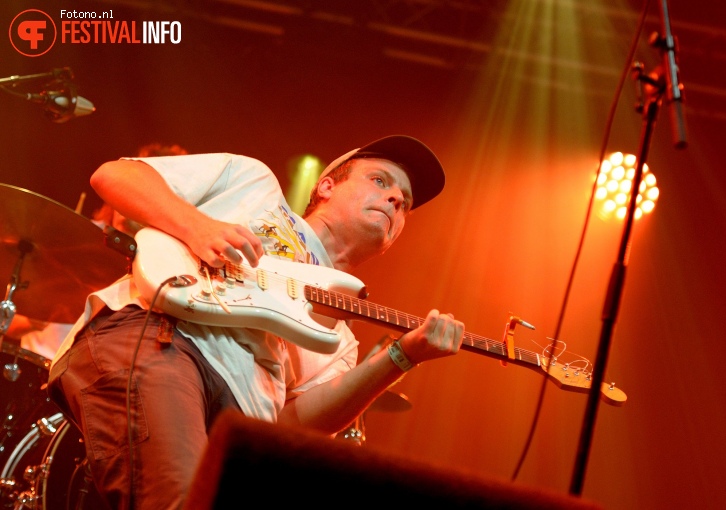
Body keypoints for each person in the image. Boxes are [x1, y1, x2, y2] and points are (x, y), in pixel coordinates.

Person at [46, 135, 465, 509]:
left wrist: (401, 356)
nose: (396, 199)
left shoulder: (341, 336)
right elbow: (115, 176)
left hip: (238, 428)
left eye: (405, 203)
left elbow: (293, 425)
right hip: (165, 339)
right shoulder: (254, 184)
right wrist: (198, 227)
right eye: (380, 181)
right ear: (327, 185)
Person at [0, 144, 188, 361]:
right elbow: (10, 323)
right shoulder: (69, 241)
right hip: (44, 368)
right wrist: (31, 321)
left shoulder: (166, 265)